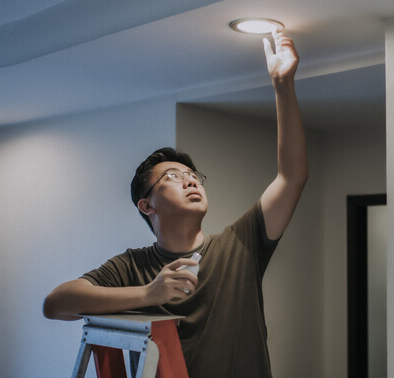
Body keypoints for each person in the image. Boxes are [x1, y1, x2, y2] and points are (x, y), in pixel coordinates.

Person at [43, 31, 307, 378]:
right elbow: (56, 304)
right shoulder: (133, 267)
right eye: (171, 176)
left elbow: (292, 177)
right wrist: (148, 293)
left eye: (193, 175)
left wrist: (283, 85)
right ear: (146, 206)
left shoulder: (240, 245)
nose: (191, 180)